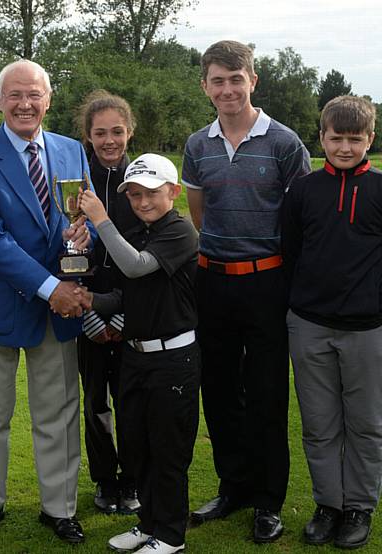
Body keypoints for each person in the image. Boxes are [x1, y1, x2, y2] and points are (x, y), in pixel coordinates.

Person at [0, 59, 92, 544]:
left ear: (48, 100)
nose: (25, 104)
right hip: (0, 304)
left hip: (61, 304)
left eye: (34, 94)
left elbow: (83, 216)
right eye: (14, 95)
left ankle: (59, 508)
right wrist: (53, 289)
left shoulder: (73, 151)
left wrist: (82, 235)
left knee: (58, 411)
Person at [182, 40, 311, 543]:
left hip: (267, 281)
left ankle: (267, 499)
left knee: (265, 392)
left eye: (237, 79)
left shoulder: (283, 141)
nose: (228, 89)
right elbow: (199, 213)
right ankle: (233, 485)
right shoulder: (197, 144)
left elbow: (300, 217)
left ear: (252, 81)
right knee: (218, 390)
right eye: (218, 80)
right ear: (205, 86)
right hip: (213, 280)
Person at [78, 153, 200, 554]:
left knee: (168, 449)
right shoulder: (143, 231)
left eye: (150, 193)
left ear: (174, 192)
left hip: (172, 359)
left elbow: (136, 268)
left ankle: (170, 535)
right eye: (133, 195)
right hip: (136, 356)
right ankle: (148, 522)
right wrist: (84, 298)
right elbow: (125, 294)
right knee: (138, 444)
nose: (142, 202)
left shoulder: (179, 230)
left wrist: (100, 219)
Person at [282, 96, 380, 550]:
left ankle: (359, 506)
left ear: (369, 140)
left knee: (365, 423)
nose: (344, 147)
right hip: (309, 324)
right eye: (335, 138)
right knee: (320, 423)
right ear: (320, 138)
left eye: (354, 139)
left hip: (367, 329)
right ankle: (329, 504)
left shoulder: (380, 189)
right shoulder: (303, 190)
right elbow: (292, 252)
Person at [76, 90, 139, 514]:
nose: (109, 140)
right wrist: (89, 310)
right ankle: (103, 480)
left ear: (129, 131)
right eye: (100, 133)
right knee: (96, 400)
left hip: (135, 310)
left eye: (117, 131)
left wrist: (121, 310)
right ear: (88, 135)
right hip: (88, 309)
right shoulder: (74, 177)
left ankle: (132, 480)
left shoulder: (143, 177)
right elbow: (65, 247)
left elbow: (149, 252)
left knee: (132, 401)